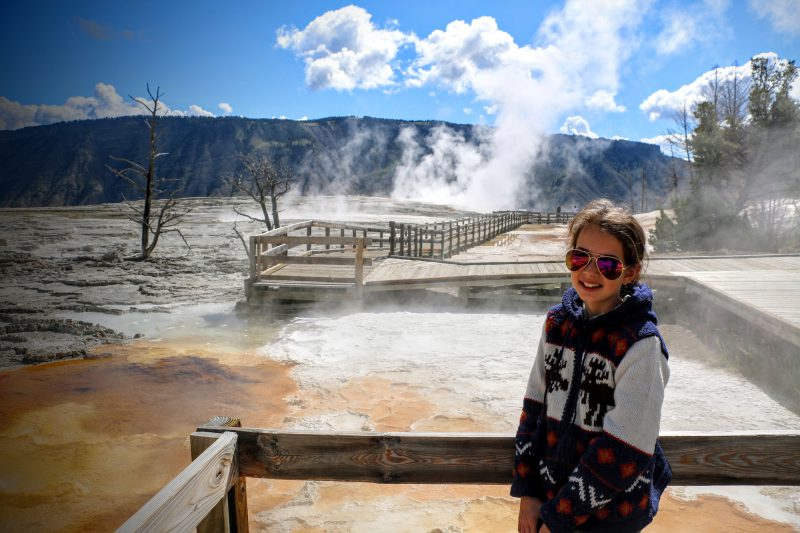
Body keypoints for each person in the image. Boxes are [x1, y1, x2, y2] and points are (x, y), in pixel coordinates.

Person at [511, 199, 671, 533]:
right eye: (580, 257)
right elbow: (533, 409)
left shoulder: (641, 345)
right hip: (551, 503)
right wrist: (528, 492)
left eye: (608, 265)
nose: (589, 272)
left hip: (611, 519)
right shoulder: (557, 324)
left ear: (631, 272)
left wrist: (558, 520)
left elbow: (625, 449)